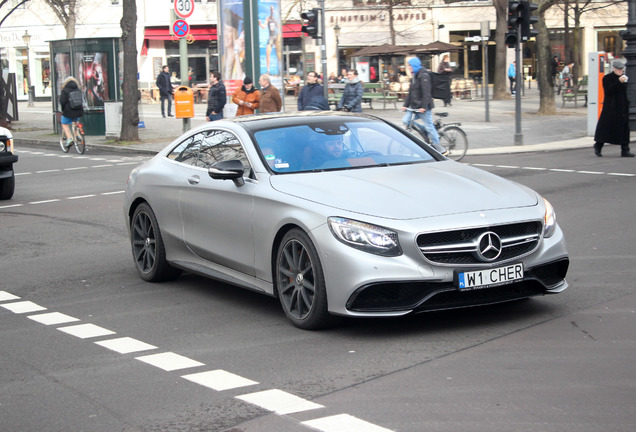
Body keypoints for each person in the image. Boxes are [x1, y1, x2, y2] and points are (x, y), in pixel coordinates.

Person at [401, 57, 442, 153]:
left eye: (410, 65)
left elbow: (426, 93)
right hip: (414, 106)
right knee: (406, 121)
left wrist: (424, 106)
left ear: (414, 65)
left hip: (424, 107)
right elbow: (410, 93)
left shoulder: (424, 76)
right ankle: (423, 129)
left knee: (429, 127)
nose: (408, 67)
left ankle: (438, 149)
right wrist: (405, 105)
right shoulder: (414, 76)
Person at [593, 59, 633, 158]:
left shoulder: (624, 78)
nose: (620, 71)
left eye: (622, 69)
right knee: (606, 127)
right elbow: (609, 91)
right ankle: (598, 145)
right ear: (614, 69)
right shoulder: (607, 78)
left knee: (624, 129)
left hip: (622, 106)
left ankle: (625, 150)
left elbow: (625, 92)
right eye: (619, 69)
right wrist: (618, 82)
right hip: (611, 107)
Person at [59, 76, 83, 148]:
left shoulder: (65, 90)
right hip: (79, 110)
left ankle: (69, 138)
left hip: (68, 111)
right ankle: (78, 135)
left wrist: (63, 110)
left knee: (64, 123)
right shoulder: (78, 90)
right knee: (76, 121)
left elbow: (62, 101)